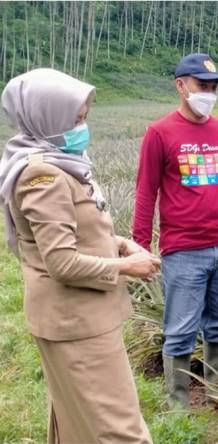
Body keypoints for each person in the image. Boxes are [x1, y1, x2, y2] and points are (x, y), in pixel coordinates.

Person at [0, 68, 158, 443]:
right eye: (76, 119)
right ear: (47, 115)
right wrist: (126, 267)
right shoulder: (44, 176)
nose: (82, 127)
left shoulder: (56, 162)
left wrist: (118, 242)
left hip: (76, 317)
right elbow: (62, 262)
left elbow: (71, 232)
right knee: (118, 429)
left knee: (77, 421)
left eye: (85, 117)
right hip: (77, 321)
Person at [132, 53, 218, 407]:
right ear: (181, 85)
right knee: (180, 330)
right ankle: (179, 407)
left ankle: (216, 395)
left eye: (214, 87)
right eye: (203, 85)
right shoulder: (160, 133)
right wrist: (140, 247)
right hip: (184, 250)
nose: (209, 92)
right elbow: (146, 192)